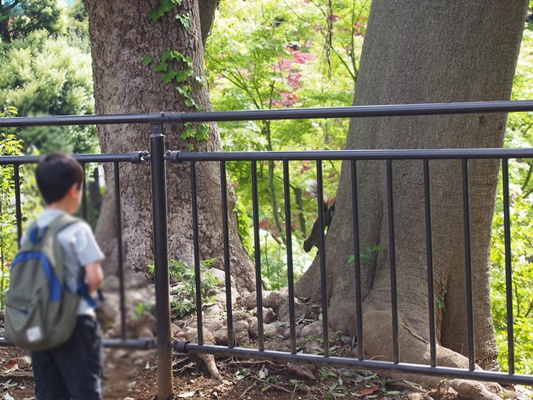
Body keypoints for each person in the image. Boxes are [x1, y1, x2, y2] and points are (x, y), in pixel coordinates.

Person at [28, 152, 105, 400]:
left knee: (49, 390)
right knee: (85, 389)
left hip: (40, 324)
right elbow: (94, 277)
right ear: (74, 190)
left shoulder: (34, 230)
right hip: (73, 324)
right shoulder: (77, 229)